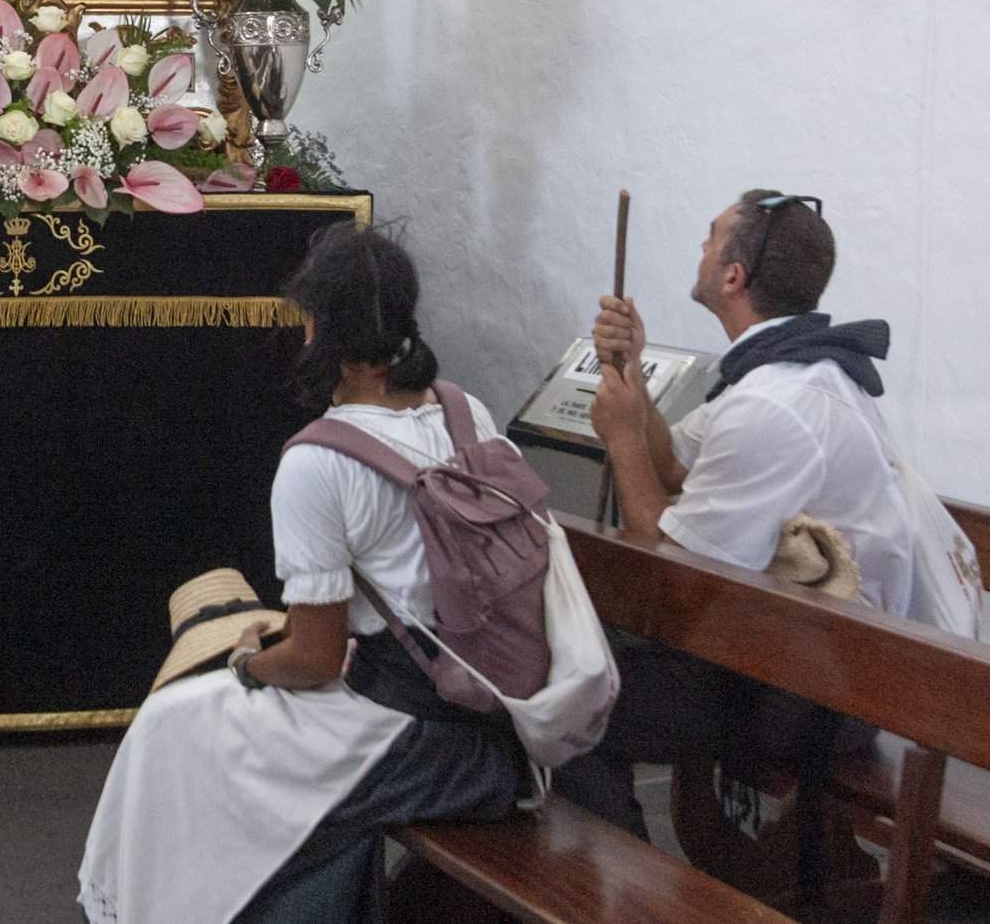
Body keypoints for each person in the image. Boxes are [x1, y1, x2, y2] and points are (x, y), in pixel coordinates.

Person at [79, 227, 526, 924]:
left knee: (178, 728)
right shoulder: (468, 413)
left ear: (321, 328)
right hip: (497, 725)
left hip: (419, 739)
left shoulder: (318, 461)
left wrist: (252, 663)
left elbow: (316, 660)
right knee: (221, 750)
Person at [553, 189, 912, 838]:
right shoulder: (784, 374)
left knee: (568, 700)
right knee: (579, 651)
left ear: (733, 276)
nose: (700, 248)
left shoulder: (775, 402)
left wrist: (624, 438)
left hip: (814, 691)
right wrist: (631, 367)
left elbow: (670, 574)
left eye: (710, 238)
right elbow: (675, 469)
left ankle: (625, 900)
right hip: (795, 654)